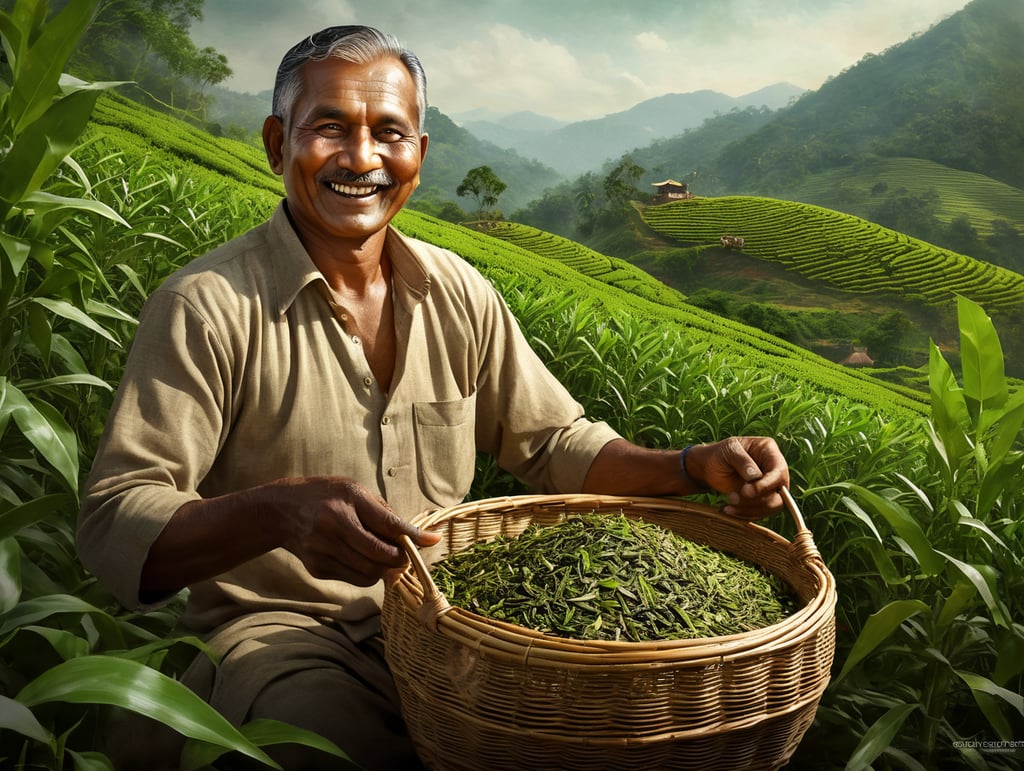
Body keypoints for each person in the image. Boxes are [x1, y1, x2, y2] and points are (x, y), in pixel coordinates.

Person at [77, 24, 790, 771]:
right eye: (329, 128)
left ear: (417, 153)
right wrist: (277, 512)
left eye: (389, 133)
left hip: (452, 631)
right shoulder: (209, 305)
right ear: (275, 143)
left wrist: (690, 464)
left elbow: (554, 443)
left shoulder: (457, 292)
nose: (361, 158)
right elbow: (114, 517)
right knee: (331, 740)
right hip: (278, 636)